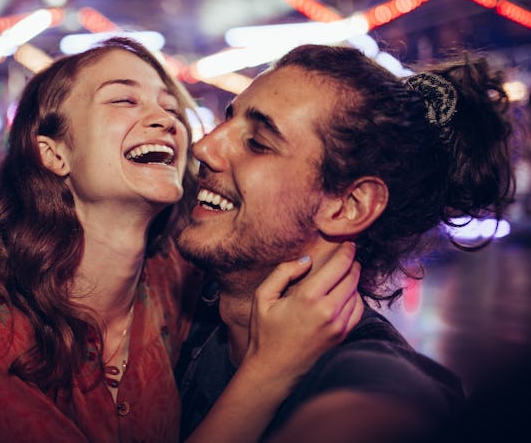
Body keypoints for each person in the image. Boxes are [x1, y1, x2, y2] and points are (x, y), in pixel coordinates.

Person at [0, 37, 364, 443]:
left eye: (171, 108)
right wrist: (270, 371)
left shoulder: (174, 280)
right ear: (54, 153)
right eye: (124, 99)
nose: (165, 121)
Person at [175, 44, 515, 443]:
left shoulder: (370, 374)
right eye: (227, 120)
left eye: (258, 143)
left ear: (348, 206)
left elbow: (390, 406)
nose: (203, 147)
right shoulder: (189, 306)